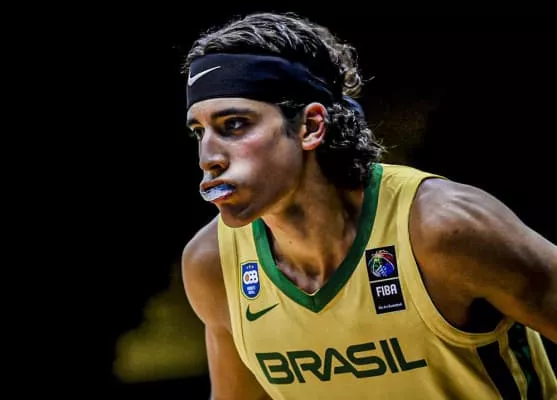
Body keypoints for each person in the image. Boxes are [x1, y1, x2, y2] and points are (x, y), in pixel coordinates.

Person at [180, 12, 557, 399]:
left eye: (234, 124)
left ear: (311, 126)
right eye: (199, 132)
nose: (209, 157)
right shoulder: (212, 265)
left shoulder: (442, 228)